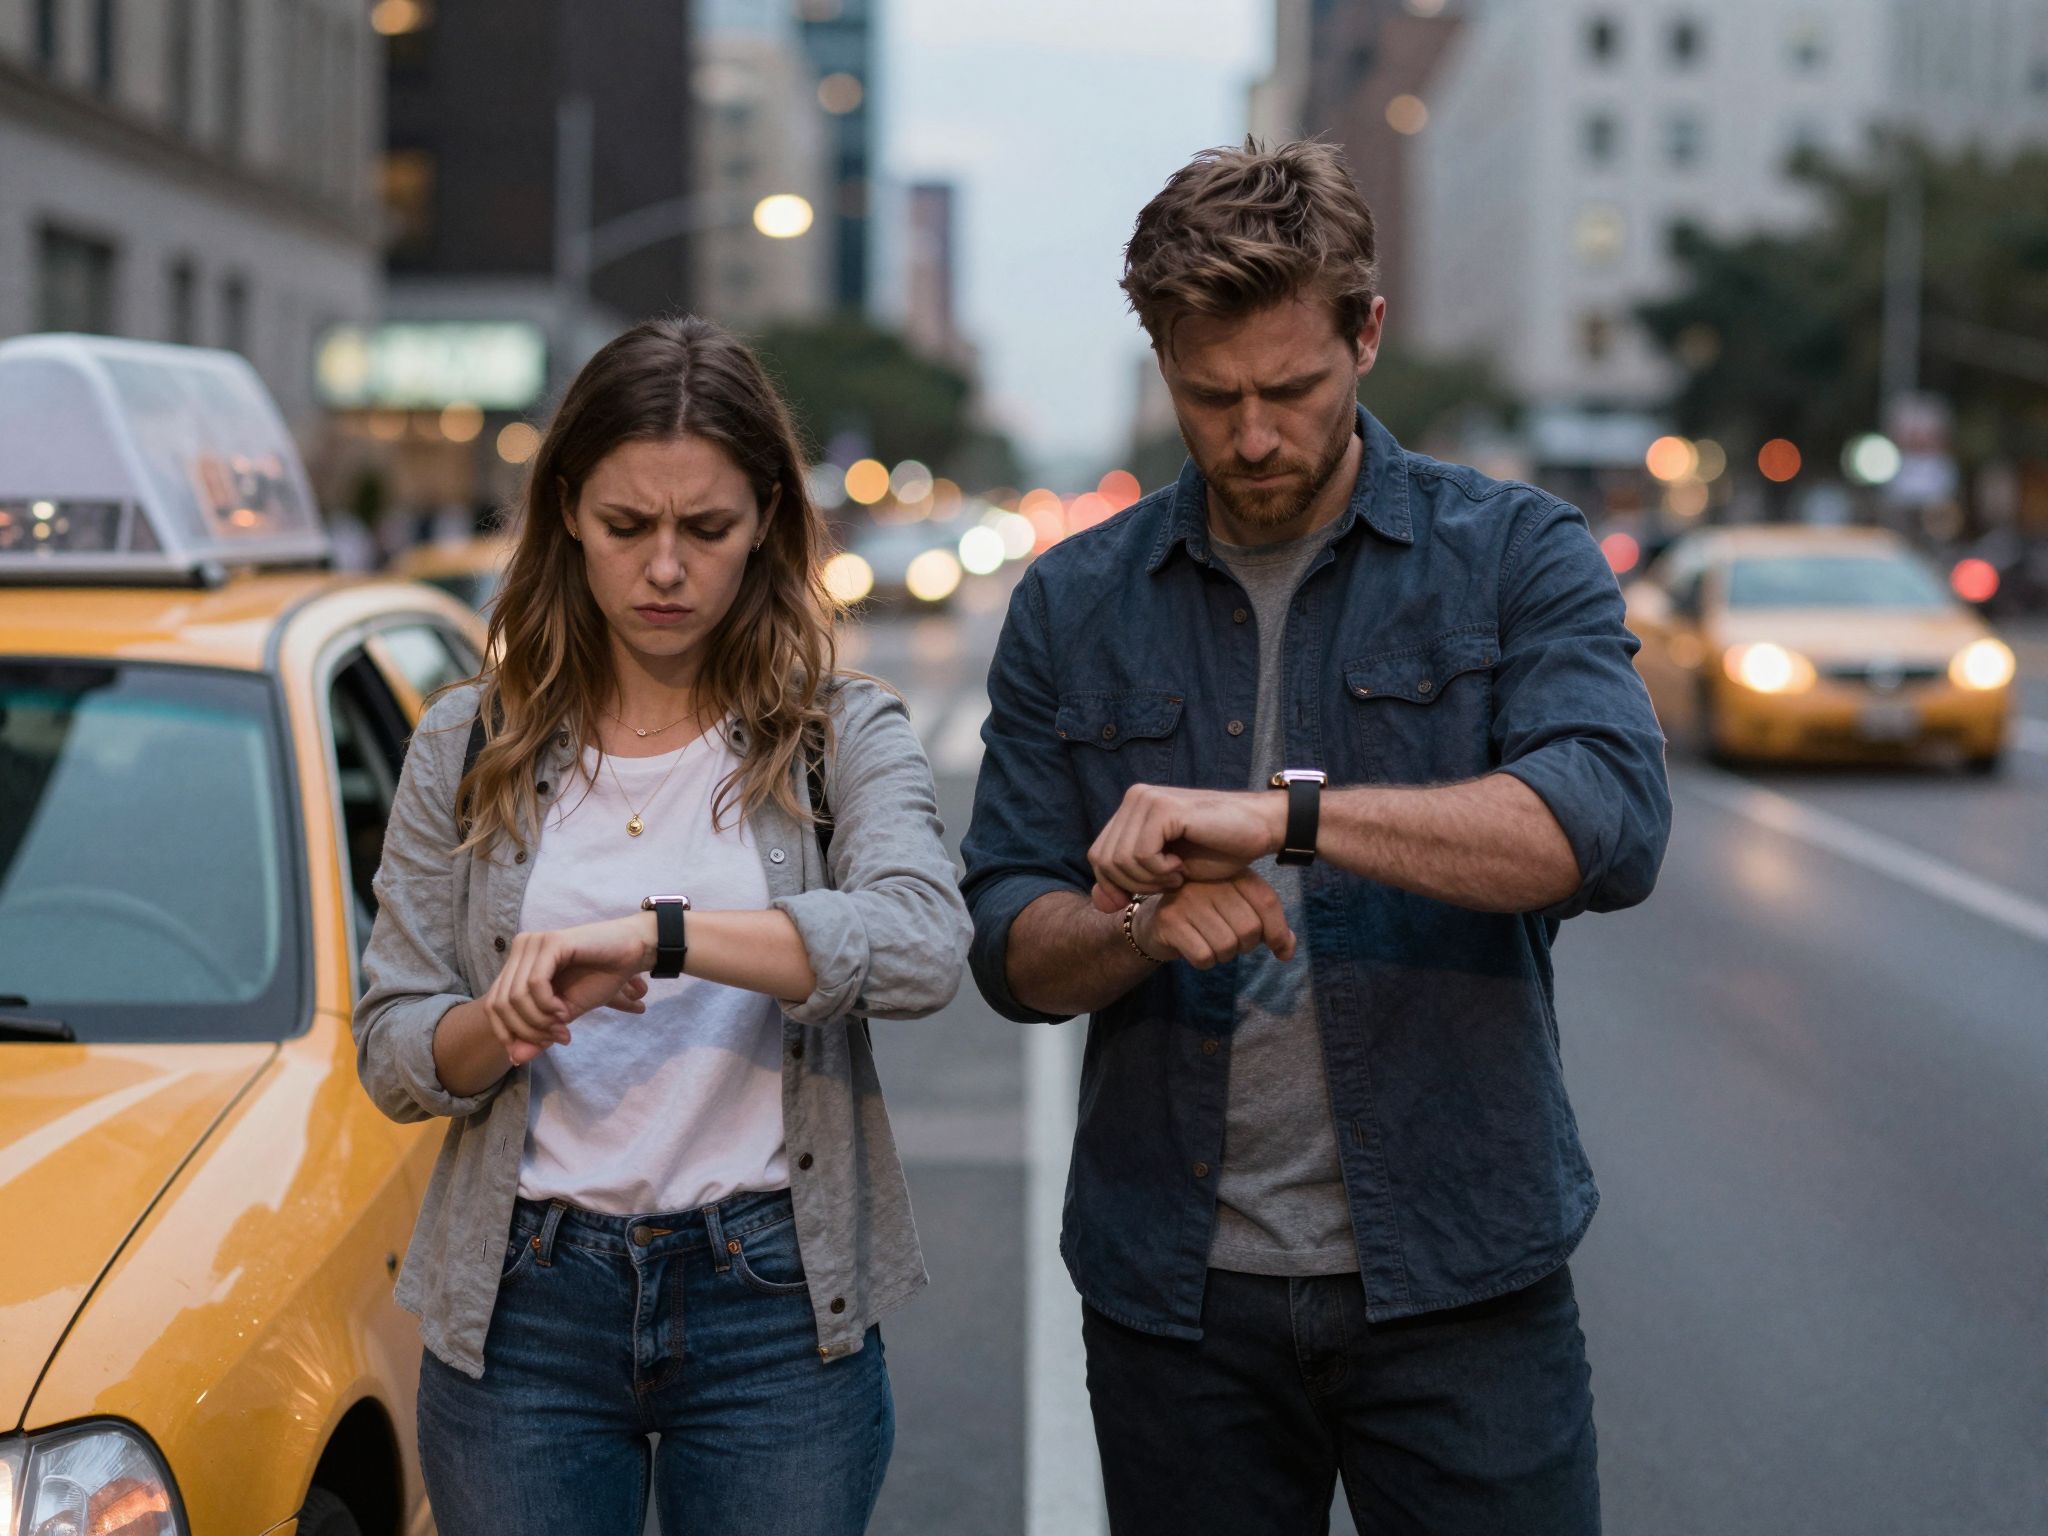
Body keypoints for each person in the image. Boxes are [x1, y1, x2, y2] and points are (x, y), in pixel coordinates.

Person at [960, 140, 1671, 1534]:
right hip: (1178, 1299)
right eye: (1210, 395)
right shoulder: (1071, 603)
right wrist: (1134, 924)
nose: (1253, 435)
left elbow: (1608, 824)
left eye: (1292, 388)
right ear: (1160, 356)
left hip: (1464, 1286)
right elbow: (1006, 942)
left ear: (1369, 334)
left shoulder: (1516, 552)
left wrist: (1287, 818)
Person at [355, 315, 970, 1535]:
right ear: (569, 516)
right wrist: (506, 1019)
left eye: (708, 529)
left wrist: (660, 935)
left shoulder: (840, 733)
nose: (666, 569)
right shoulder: (467, 742)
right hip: (524, 1304)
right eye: (627, 527)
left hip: (773, 1305)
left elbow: (919, 945)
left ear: (767, 528)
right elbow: (394, 1053)